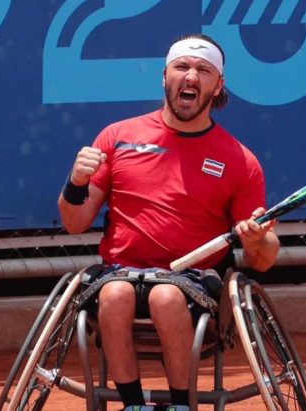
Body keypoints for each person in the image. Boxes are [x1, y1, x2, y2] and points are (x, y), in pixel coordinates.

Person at [58, 33, 280, 411]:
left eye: (203, 70)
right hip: (120, 273)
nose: (191, 76)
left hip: (192, 282)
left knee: (165, 296)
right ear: (165, 77)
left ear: (218, 85)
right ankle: (132, 405)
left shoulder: (240, 160)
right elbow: (75, 222)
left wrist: (257, 238)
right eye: (182, 67)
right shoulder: (117, 137)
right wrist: (76, 182)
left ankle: (181, 405)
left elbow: (264, 258)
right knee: (114, 294)